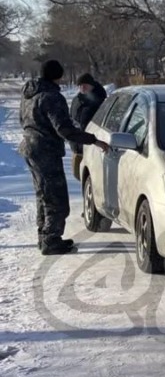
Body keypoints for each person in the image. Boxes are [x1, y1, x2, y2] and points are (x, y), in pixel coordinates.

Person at [18, 59, 109, 255]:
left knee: (43, 195)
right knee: (56, 199)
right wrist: (93, 140)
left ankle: (44, 237)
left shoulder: (28, 94)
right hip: (46, 151)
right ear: (57, 76)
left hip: (30, 147)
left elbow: (22, 120)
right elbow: (64, 129)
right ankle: (51, 240)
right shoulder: (51, 97)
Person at [69, 72, 107, 180]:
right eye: (80, 85)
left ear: (92, 85)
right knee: (79, 176)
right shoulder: (77, 100)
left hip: (93, 146)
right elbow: (70, 117)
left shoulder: (99, 101)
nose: (82, 88)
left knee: (92, 179)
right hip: (77, 147)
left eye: (85, 85)